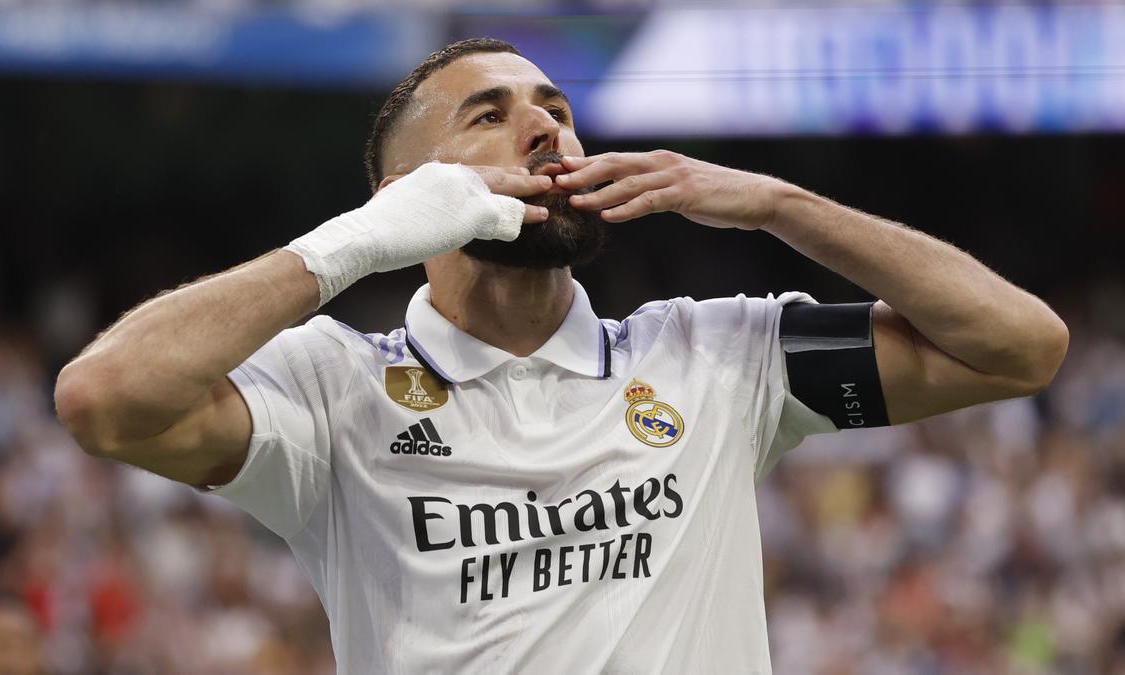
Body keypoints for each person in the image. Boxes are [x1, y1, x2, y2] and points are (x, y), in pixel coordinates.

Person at [53, 38, 1069, 674]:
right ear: (407, 189)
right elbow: (103, 398)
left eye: (557, 110)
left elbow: (1021, 347)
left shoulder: (717, 356)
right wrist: (351, 245)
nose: (546, 127)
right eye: (490, 116)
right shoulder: (333, 388)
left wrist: (776, 204)